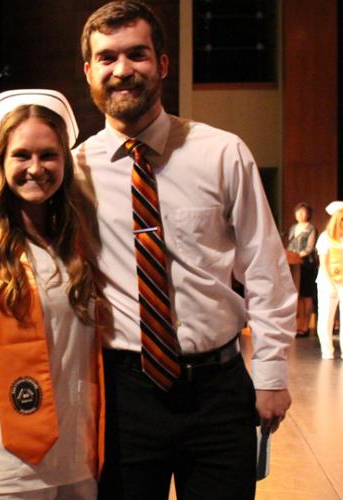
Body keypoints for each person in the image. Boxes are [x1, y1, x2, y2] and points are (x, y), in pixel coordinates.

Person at [75, 2, 296, 499]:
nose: (123, 70)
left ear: (163, 64)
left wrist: (272, 373)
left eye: (137, 54)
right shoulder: (75, 170)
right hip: (124, 393)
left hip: (218, 392)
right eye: (107, 58)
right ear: (89, 71)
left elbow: (264, 267)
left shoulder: (222, 152)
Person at [0, 90, 103, 500]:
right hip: (5, 474)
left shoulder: (79, 252)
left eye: (48, 155)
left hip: (78, 465)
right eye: (21, 155)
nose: (36, 168)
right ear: (1, 164)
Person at [315, 201, 343, 360]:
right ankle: (327, 350)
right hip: (327, 281)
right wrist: (332, 283)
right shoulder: (325, 237)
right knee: (326, 316)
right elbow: (323, 262)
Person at [287, 202, 317, 337]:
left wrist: (298, 255)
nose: (300, 214)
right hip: (294, 265)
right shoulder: (293, 227)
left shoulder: (311, 228)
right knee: (297, 295)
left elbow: (310, 248)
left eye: (303, 212)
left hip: (306, 265)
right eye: (298, 212)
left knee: (306, 295)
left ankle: (306, 325)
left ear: (308, 214)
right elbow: (290, 245)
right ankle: (298, 324)